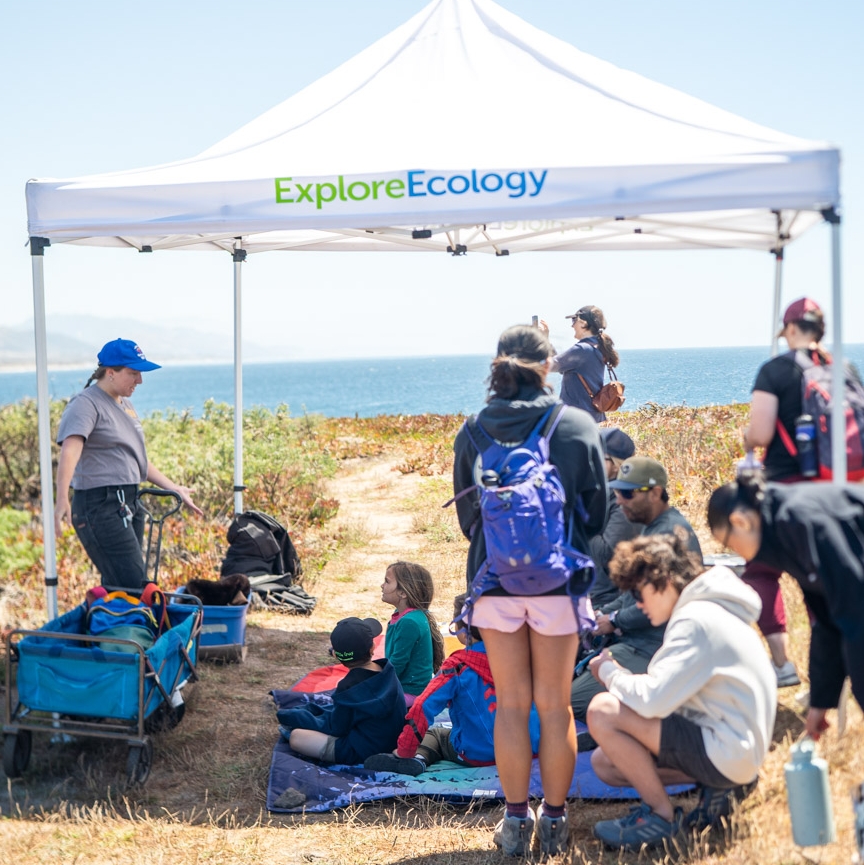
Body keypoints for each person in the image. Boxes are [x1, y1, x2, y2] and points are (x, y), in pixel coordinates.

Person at [452, 324, 607, 857]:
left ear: (498, 364)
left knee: (512, 705)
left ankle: (515, 824)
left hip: (494, 583)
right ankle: (557, 823)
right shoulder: (575, 425)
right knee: (556, 705)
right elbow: (597, 513)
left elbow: (468, 519)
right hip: (558, 584)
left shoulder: (473, 431)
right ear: (548, 366)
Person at [587, 532, 776, 850]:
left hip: (728, 747)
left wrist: (607, 671)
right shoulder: (710, 608)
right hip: (736, 745)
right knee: (605, 762)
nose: (638, 603)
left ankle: (660, 819)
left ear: (662, 580)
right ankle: (718, 785)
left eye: (638, 591)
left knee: (602, 711)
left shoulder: (694, 620)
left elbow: (651, 701)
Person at [707, 472, 864, 741]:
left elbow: (855, 613)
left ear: (740, 521)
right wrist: (820, 700)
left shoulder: (799, 520)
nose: (739, 555)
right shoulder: (782, 528)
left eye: (730, 544)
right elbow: (826, 620)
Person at [738, 297, 834, 687]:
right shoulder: (840, 368)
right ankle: (831, 673)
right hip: (832, 492)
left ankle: (783, 665)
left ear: (790, 329)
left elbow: (760, 434)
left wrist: (747, 440)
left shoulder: (776, 370)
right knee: (824, 584)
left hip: (785, 489)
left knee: (761, 573)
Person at [54, 339, 202, 589]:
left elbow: (137, 460)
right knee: (133, 585)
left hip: (129, 501)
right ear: (110, 373)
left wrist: (173, 487)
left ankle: (114, 626)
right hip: (99, 504)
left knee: (121, 586)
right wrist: (61, 498)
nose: (140, 380)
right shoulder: (85, 403)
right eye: (133, 373)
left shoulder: (126, 405)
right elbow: (71, 449)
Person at [572, 456, 703, 734]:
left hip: (651, 643)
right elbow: (632, 595)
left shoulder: (666, 534)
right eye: (617, 492)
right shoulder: (655, 527)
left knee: (574, 700)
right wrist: (603, 614)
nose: (619, 501)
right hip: (636, 636)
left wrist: (615, 620)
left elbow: (657, 606)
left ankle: (647, 731)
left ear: (656, 493)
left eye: (627, 493)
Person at [364, 593, 541, 776]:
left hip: (483, 754)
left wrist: (404, 749)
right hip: (531, 748)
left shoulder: (457, 668)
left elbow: (422, 707)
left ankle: (418, 757)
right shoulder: (525, 656)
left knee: (436, 735)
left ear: (462, 630)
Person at [277, 617, 407, 764]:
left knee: (297, 737)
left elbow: (336, 728)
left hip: (363, 750)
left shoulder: (348, 689)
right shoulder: (387, 670)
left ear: (336, 655)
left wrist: (292, 716)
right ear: (372, 647)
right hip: (395, 742)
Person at [589, 428, 642, 608]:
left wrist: (577, 525)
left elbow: (608, 553)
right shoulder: (597, 491)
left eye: (598, 457)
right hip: (588, 593)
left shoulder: (625, 498)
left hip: (607, 601)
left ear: (617, 464)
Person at [541, 306, 620, 422]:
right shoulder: (596, 347)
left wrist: (540, 341)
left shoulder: (582, 349)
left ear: (583, 323)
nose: (572, 325)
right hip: (591, 415)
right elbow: (561, 367)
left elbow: (550, 365)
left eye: (574, 321)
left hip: (576, 417)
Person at [381, 561, 445, 704]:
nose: (382, 585)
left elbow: (397, 664)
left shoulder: (409, 622)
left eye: (387, 581)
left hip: (409, 693)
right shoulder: (405, 615)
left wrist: (376, 685)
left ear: (403, 593)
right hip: (403, 688)